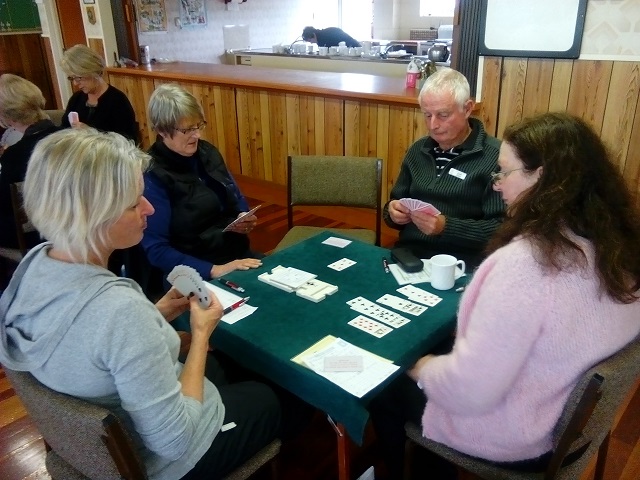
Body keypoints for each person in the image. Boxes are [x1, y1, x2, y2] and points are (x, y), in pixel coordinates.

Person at [370, 112, 640, 479]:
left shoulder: (524, 264)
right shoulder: (616, 242)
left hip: (521, 434)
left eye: (504, 172)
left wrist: (417, 366)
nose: (497, 185)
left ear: (541, 177)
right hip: (568, 422)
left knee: (387, 385)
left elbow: (468, 391)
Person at [0, 128, 281, 479]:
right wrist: (201, 335)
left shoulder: (34, 264)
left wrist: (155, 313)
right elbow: (175, 441)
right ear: (93, 214)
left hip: (95, 439)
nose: (148, 208)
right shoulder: (120, 311)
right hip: (158, 459)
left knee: (223, 371)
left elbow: (88, 338)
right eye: (135, 202)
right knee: (268, 397)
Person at [384, 68, 504, 270]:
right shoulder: (418, 150)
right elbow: (393, 205)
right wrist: (393, 213)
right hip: (409, 257)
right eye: (427, 115)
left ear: (467, 109)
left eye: (443, 115)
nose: (433, 125)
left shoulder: (495, 157)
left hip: (463, 263)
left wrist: (446, 227)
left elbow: (502, 230)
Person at [142, 83, 262, 282]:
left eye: (198, 126)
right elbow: (156, 250)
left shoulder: (207, 152)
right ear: (162, 130)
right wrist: (214, 270)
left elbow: (235, 195)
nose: (197, 135)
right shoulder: (153, 176)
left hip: (235, 255)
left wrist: (243, 216)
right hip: (194, 271)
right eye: (187, 129)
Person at [0, 74, 58, 249]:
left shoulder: (15, 155)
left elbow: (5, 204)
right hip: (81, 223)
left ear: (10, 117)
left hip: (39, 232)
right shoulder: (72, 135)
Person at [59, 44, 138, 142]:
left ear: (93, 71)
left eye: (79, 77)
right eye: (71, 78)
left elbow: (128, 141)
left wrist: (92, 133)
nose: (75, 83)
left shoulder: (117, 101)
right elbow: (63, 131)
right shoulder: (76, 99)